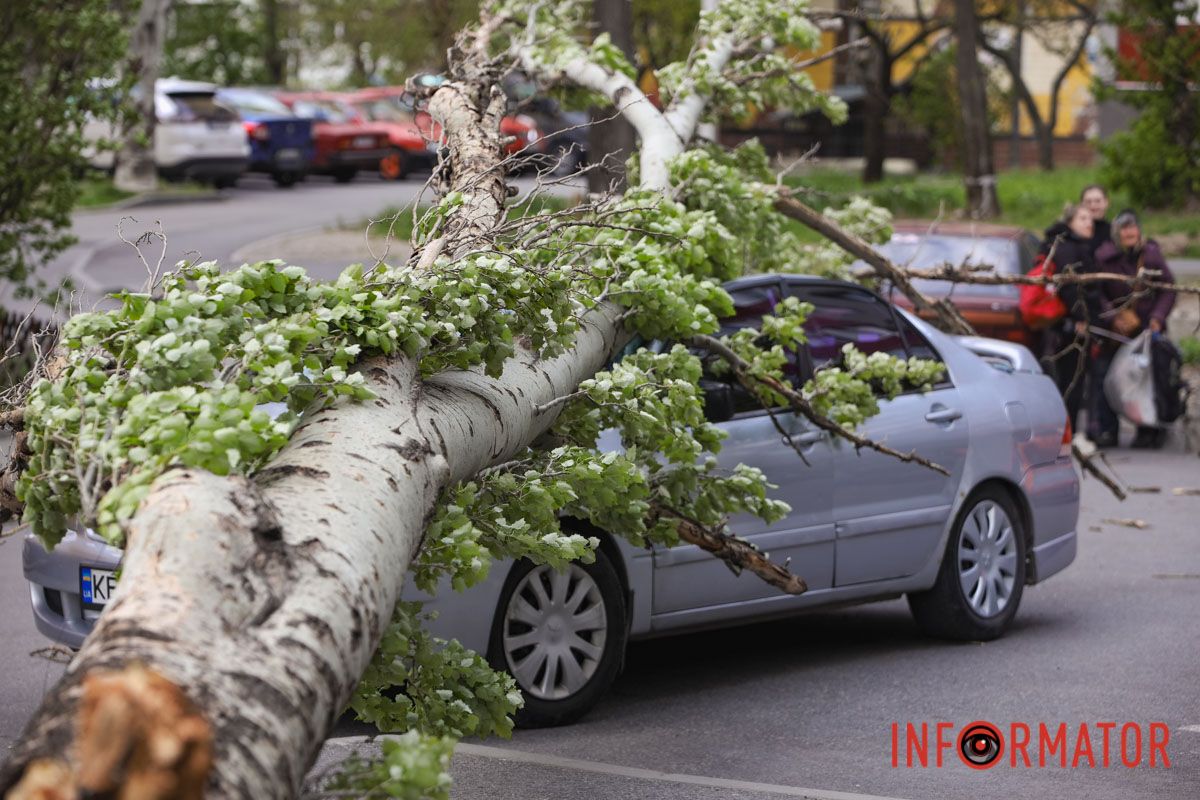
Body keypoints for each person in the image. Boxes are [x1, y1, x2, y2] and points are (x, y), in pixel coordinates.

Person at [1091, 210, 1178, 448]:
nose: (1129, 233)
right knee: (1106, 377)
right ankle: (1108, 430)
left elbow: (1168, 289)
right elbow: (1095, 292)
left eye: (1133, 227)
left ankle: (1149, 431)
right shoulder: (1103, 257)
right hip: (1114, 332)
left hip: (1146, 330)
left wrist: (1158, 317)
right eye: (1124, 228)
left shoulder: (1151, 254)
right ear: (1116, 233)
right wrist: (1112, 316)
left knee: (1148, 381)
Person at [1039, 204, 1102, 433]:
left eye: (1091, 220)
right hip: (1070, 329)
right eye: (1083, 218)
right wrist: (1081, 318)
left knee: (1072, 381)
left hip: (1068, 325)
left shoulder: (1074, 245)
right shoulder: (1068, 248)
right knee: (1071, 382)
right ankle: (1067, 433)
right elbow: (1070, 288)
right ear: (1070, 222)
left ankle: (1068, 431)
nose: (1089, 223)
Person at [1080, 184, 1111, 255]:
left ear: (1106, 202)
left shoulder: (1115, 231)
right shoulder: (1072, 232)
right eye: (1088, 202)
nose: (1093, 206)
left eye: (1098, 201)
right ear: (1081, 204)